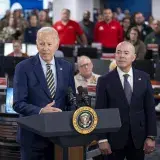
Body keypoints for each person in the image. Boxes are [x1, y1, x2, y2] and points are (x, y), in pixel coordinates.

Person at [13, 27, 76, 160]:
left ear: (57, 44)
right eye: (41, 44)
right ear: (36, 44)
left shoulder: (67, 67)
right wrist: (41, 110)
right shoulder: (23, 67)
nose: (45, 48)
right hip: (32, 138)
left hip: (59, 138)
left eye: (49, 44)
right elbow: (18, 104)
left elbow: (71, 99)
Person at [95, 41, 157, 160]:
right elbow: (100, 111)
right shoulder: (104, 80)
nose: (121, 55)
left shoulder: (144, 78)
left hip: (138, 138)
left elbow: (150, 109)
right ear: (115, 55)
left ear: (133, 57)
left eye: (126, 53)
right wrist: (102, 139)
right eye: (118, 52)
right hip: (113, 139)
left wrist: (151, 136)